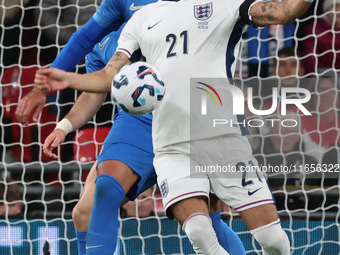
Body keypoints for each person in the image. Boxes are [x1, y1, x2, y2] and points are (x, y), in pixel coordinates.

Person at [34, 1, 312, 254]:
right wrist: (68, 83)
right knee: (193, 231)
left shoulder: (223, 5)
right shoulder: (139, 18)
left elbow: (283, 11)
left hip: (217, 131)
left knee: (264, 238)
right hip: (160, 136)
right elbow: (108, 75)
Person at [43, 26, 246, 255]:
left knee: (204, 217)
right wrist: (64, 126)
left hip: (182, 118)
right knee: (85, 212)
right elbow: (95, 92)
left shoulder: (162, 15)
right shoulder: (100, 36)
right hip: (136, 125)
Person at [301, 0, 340, 74]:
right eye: (335, 6)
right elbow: (311, 60)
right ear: (326, 10)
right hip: (321, 78)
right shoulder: (314, 29)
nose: (338, 10)